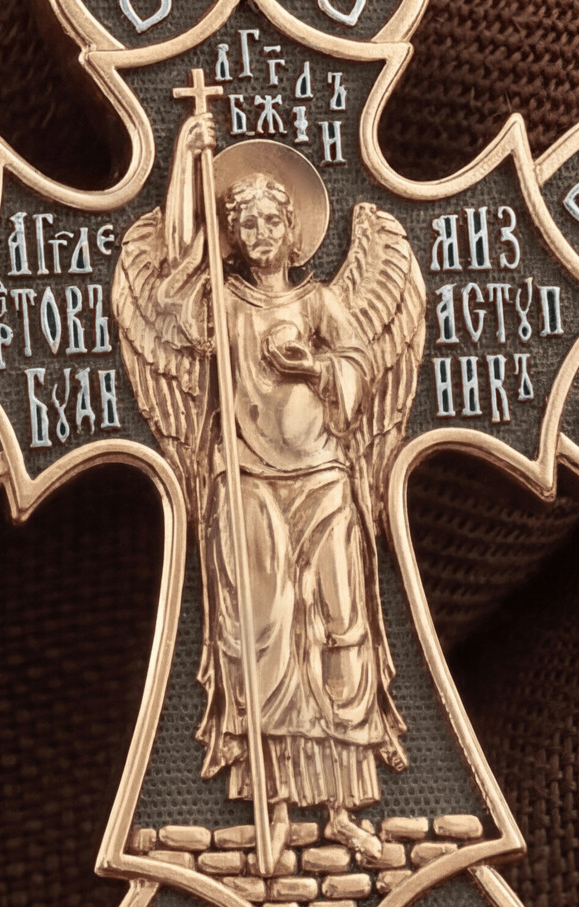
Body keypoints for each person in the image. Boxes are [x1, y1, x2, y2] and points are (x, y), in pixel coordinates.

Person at [114, 113, 427, 860]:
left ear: (293, 231)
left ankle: (345, 808)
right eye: (244, 223)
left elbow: (360, 368)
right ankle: (276, 805)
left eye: (269, 221)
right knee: (264, 637)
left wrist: (314, 368)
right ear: (232, 236)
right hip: (248, 484)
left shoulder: (318, 304)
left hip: (323, 479)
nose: (258, 234)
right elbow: (174, 285)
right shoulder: (220, 305)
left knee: (341, 626)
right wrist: (184, 170)